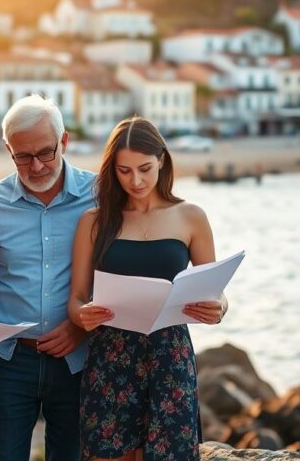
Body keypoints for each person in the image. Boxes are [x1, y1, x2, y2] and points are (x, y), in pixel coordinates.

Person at [68, 117, 228, 461]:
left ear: (162, 162)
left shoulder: (190, 216)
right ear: (112, 170)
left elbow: (215, 288)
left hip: (170, 357)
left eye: (144, 168)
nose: (136, 180)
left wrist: (219, 306)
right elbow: (76, 299)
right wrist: (83, 315)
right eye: (124, 171)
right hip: (110, 357)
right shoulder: (93, 222)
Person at [0, 95, 94, 461]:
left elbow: (115, 276)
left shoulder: (100, 194)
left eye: (46, 152)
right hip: (10, 363)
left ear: (65, 142)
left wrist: (80, 328)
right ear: (8, 149)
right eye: (23, 156)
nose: (38, 166)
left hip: (78, 359)